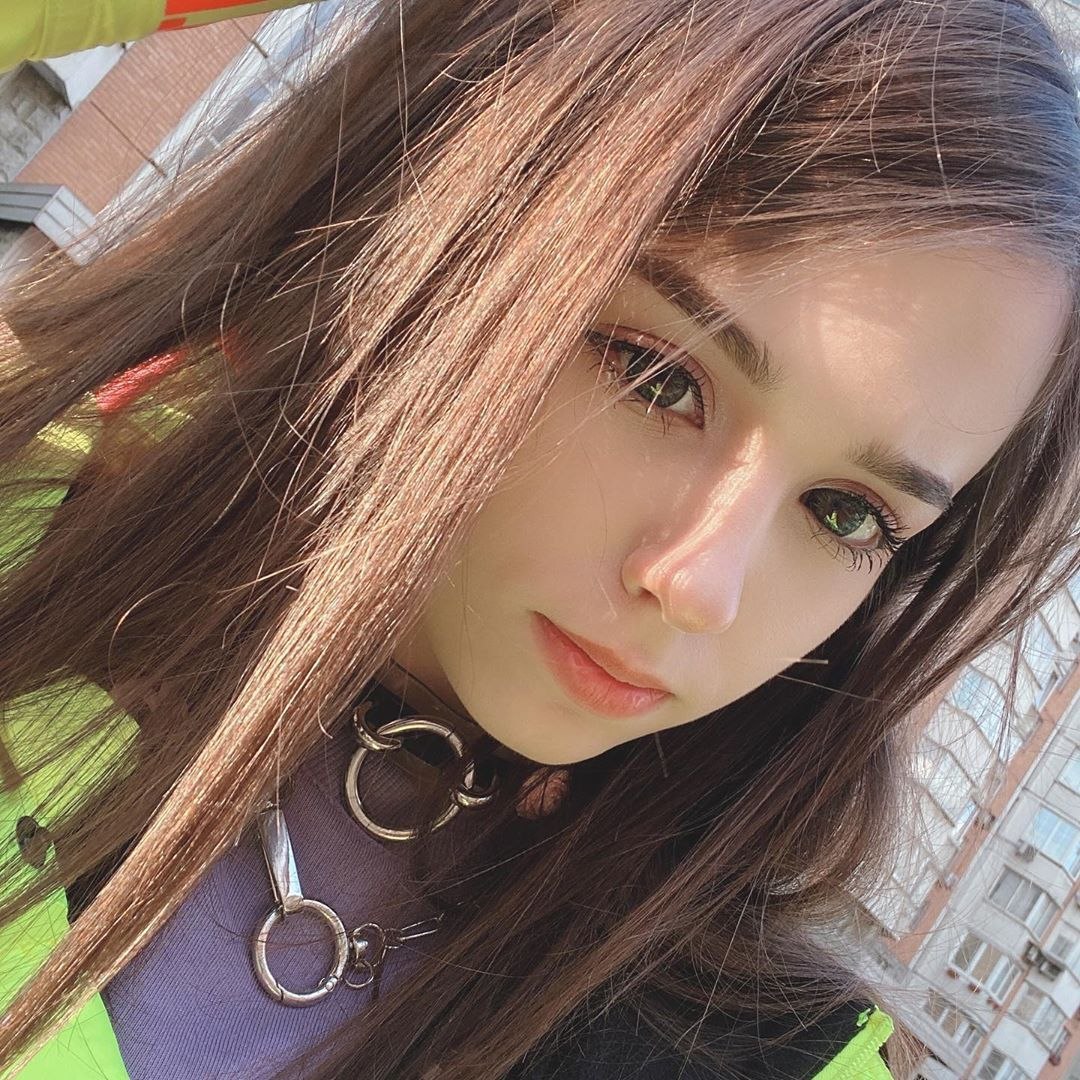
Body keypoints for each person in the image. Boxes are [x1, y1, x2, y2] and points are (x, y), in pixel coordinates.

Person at [0, 0, 1078, 1076]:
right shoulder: (33, 528)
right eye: (657, 377)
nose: (701, 586)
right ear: (460, 215)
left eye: (847, 514)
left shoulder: (767, 1053)